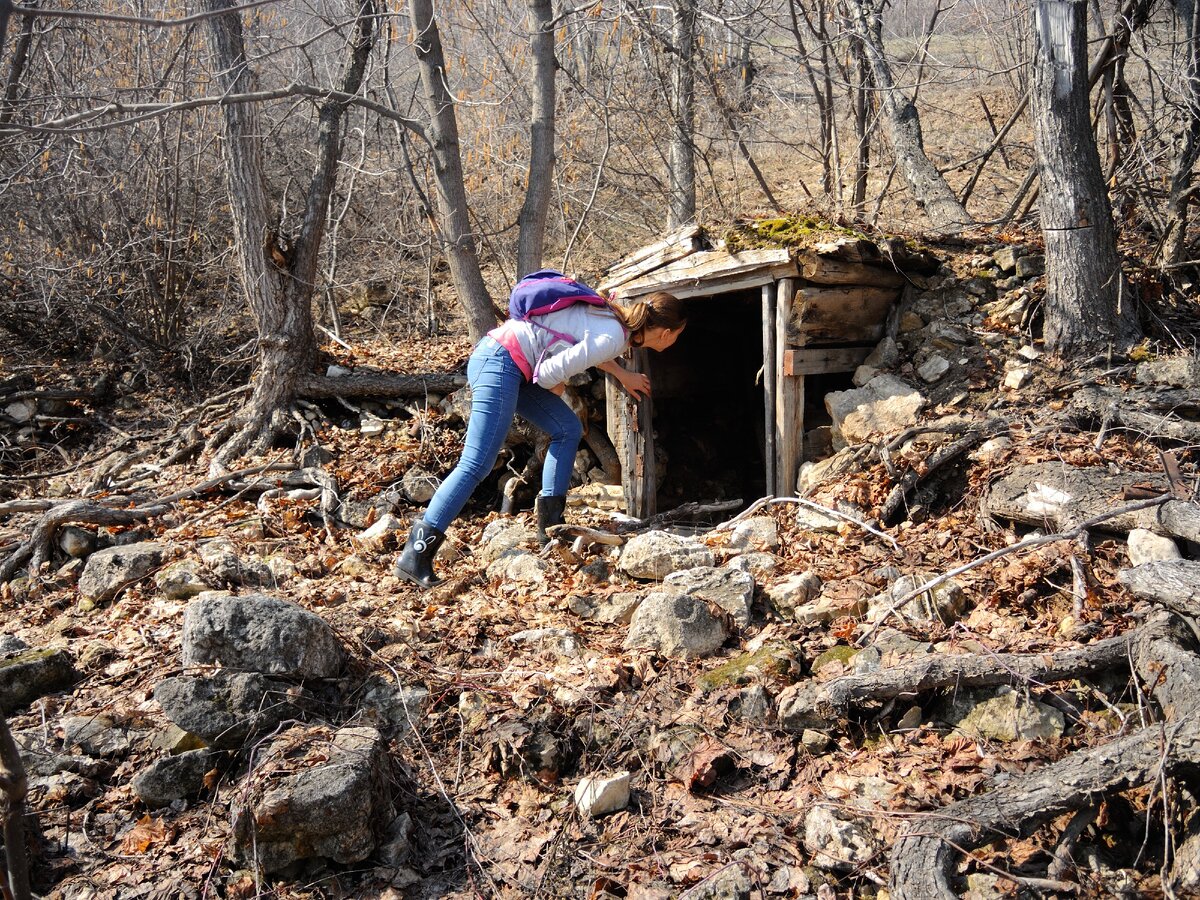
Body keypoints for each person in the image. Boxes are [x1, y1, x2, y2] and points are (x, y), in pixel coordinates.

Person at [395, 289, 688, 589]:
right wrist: (557, 387)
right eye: (679, 335)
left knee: (567, 428)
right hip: (500, 362)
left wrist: (621, 374)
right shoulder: (615, 334)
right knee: (476, 464)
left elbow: (592, 348)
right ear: (666, 333)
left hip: (511, 364)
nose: (677, 340)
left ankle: (551, 529)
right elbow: (549, 374)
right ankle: (415, 556)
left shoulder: (616, 323)